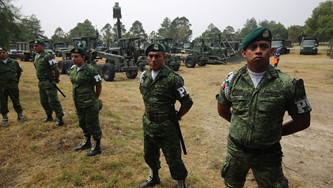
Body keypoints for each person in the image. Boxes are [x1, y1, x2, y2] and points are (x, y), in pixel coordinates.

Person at [216, 27, 312, 188]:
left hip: (268, 154)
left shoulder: (287, 84)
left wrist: (272, 132)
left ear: (271, 50)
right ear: (244, 53)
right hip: (236, 151)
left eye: (263, 46)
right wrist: (241, 126)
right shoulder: (232, 80)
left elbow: (303, 121)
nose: (258, 51)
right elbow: (222, 109)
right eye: (253, 47)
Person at [139, 43, 193, 188]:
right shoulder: (144, 76)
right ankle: (153, 177)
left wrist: (178, 116)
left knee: (174, 159)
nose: (153, 59)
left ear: (165, 57)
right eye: (150, 56)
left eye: (157, 56)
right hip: (149, 124)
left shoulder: (173, 78)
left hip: (167, 127)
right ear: (147, 58)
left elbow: (187, 102)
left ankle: (181, 183)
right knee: (149, 155)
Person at [69, 47, 103, 156]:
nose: (73, 59)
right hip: (78, 102)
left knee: (92, 124)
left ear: (83, 57)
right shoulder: (73, 69)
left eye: (76, 57)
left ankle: (97, 147)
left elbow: (98, 85)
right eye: (72, 56)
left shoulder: (90, 70)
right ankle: (87, 142)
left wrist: (95, 98)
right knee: (82, 123)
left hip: (89, 103)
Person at [33, 39, 64, 126]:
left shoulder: (48, 56)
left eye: (37, 46)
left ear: (42, 46)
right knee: (44, 101)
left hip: (49, 82)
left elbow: (56, 70)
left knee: (53, 101)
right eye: (34, 46)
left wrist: (56, 79)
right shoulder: (36, 56)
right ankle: (49, 116)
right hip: (41, 82)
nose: (35, 48)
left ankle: (60, 118)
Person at [0, 47, 23, 125]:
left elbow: (19, 73)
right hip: (2, 86)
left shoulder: (14, 62)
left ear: (7, 53)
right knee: (3, 102)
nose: (2, 54)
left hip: (13, 85)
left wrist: (16, 81)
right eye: (0, 53)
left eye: (3, 52)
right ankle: (4, 118)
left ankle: (20, 115)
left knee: (16, 101)